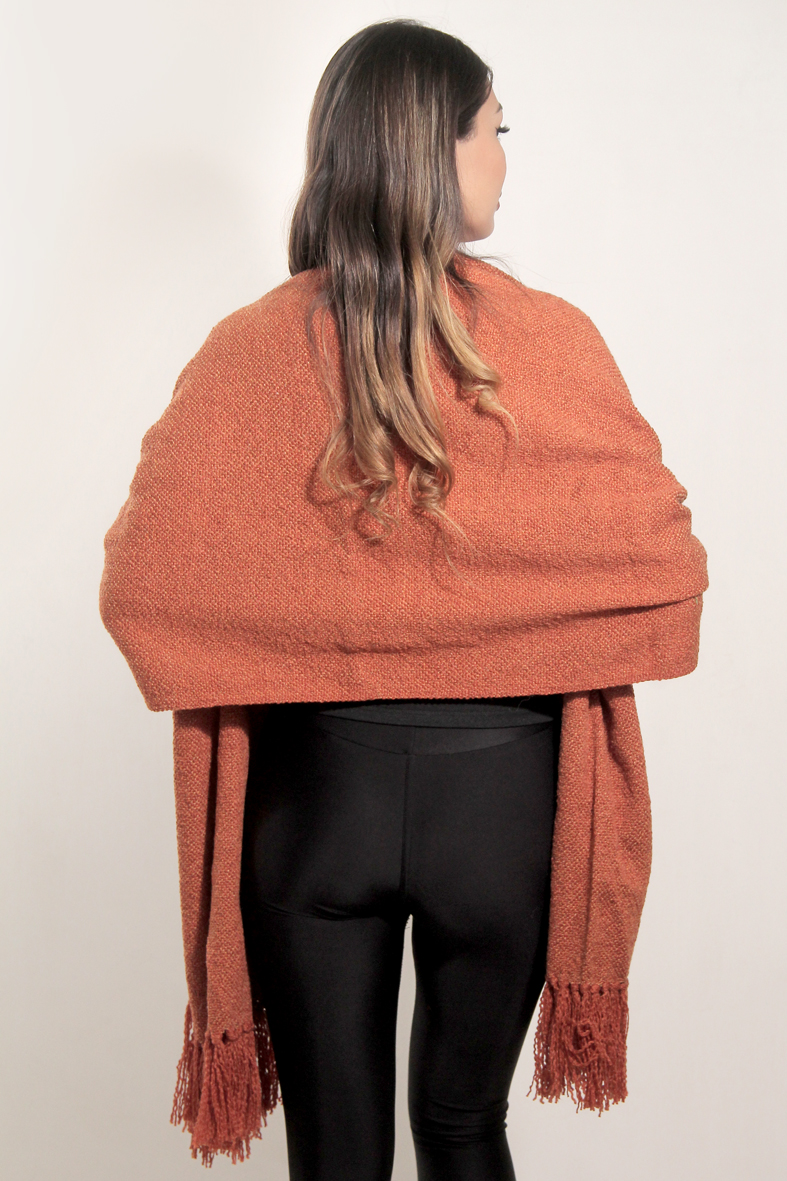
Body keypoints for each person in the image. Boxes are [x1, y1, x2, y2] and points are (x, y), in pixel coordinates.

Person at [99, 17, 708, 1181]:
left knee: (335, 1157)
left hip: (313, 808)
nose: (505, 158)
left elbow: (147, 586)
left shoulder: (247, 351)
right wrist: (491, 607)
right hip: (502, 810)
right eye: (494, 130)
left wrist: (336, 614)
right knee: (464, 1127)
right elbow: (661, 568)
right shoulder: (552, 343)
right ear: (436, 145)